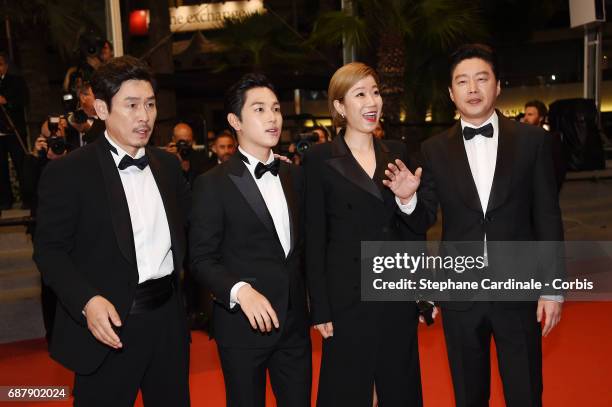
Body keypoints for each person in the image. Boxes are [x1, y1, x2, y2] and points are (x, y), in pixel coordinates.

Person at [33, 56, 191, 407]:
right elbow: (50, 251)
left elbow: (196, 226)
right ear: (102, 109)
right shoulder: (69, 172)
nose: (144, 116)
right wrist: (87, 302)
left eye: (150, 105)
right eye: (131, 105)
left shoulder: (167, 166)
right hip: (106, 327)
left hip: (168, 321)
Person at [415, 44, 564, 407]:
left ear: (497, 86)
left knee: (525, 391)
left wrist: (552, 289)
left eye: (482, 79)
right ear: (451, 93)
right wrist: (407, 199)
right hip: (460, 295)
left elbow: (547, 215)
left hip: (518, 290)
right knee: (468, 394)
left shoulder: (532, 142)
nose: (473, 89)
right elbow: (423, 219)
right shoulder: (433, 149)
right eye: (462, 82)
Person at [304, 62, 430, 406]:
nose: (372, 102)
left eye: (375, 92)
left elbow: (417, 229)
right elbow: (314, 240)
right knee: (348, 389)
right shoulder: (319, 159)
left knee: (398, 386)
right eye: (360, 94)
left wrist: (408, 199)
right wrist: (320, 308)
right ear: (340, 107)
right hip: (346, 299)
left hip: (396, 296)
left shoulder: (398, 152)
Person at [190, 73, 311, 407]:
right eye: (259, 109)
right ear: (235, 121)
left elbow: (302, 250)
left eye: (275, 108)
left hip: (294, 326)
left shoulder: (293, 175)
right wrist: (240, 291)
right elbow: (200, 258)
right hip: (242, 326)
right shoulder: (212, 184)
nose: (272, 117)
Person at [0, 52, 28, 210]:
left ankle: (27, 198)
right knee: (1, 169)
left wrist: (6, 101)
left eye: (0, 64)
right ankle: (5, 200)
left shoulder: (16, 81)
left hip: (14, 130)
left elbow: (23, 100)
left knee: (21, 166)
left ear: (5, 66)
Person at [523, 100, 566, 191]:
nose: (525, 118)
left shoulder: (551, 139)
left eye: (530, 115)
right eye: (525, 114)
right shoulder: (519, 139)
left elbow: (558, 169)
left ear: (541, 118)